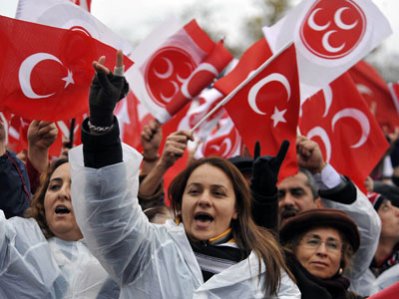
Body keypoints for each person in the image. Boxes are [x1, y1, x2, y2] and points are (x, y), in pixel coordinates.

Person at [70, 51, 301, 298]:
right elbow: (109, 210)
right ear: (179, 204)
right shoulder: (146, 249)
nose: (204, 199)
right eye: (194, 191)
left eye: (218, 193)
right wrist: (102, 124)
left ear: (236, 209)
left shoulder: (267, 275)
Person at [0, 155, 120, 298]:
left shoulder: (116, 264)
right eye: (54, 187)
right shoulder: (18, 243)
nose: (62, 193)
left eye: (76, 187)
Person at [280, 208, 364, 299]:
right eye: (313, 242)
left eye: (332, 245)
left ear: (342, 257)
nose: (322, 251)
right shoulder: (275, 291)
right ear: (293, 249)